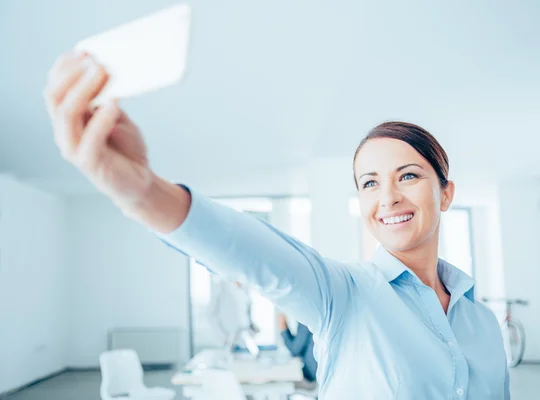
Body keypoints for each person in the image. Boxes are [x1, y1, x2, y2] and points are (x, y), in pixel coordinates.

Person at [43, 53, 509, 399]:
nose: (387, 197)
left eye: (408, 175)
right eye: (369, 183)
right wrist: (143, 192)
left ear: (445, 193)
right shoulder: (345, 295)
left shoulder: (483, 323)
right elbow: (256, 254)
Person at [278, 314, 317, 390]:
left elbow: (295, 350)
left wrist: (283, 326)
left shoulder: (306, 316)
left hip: (311, 377)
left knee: (281, 384)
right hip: (319, 374)